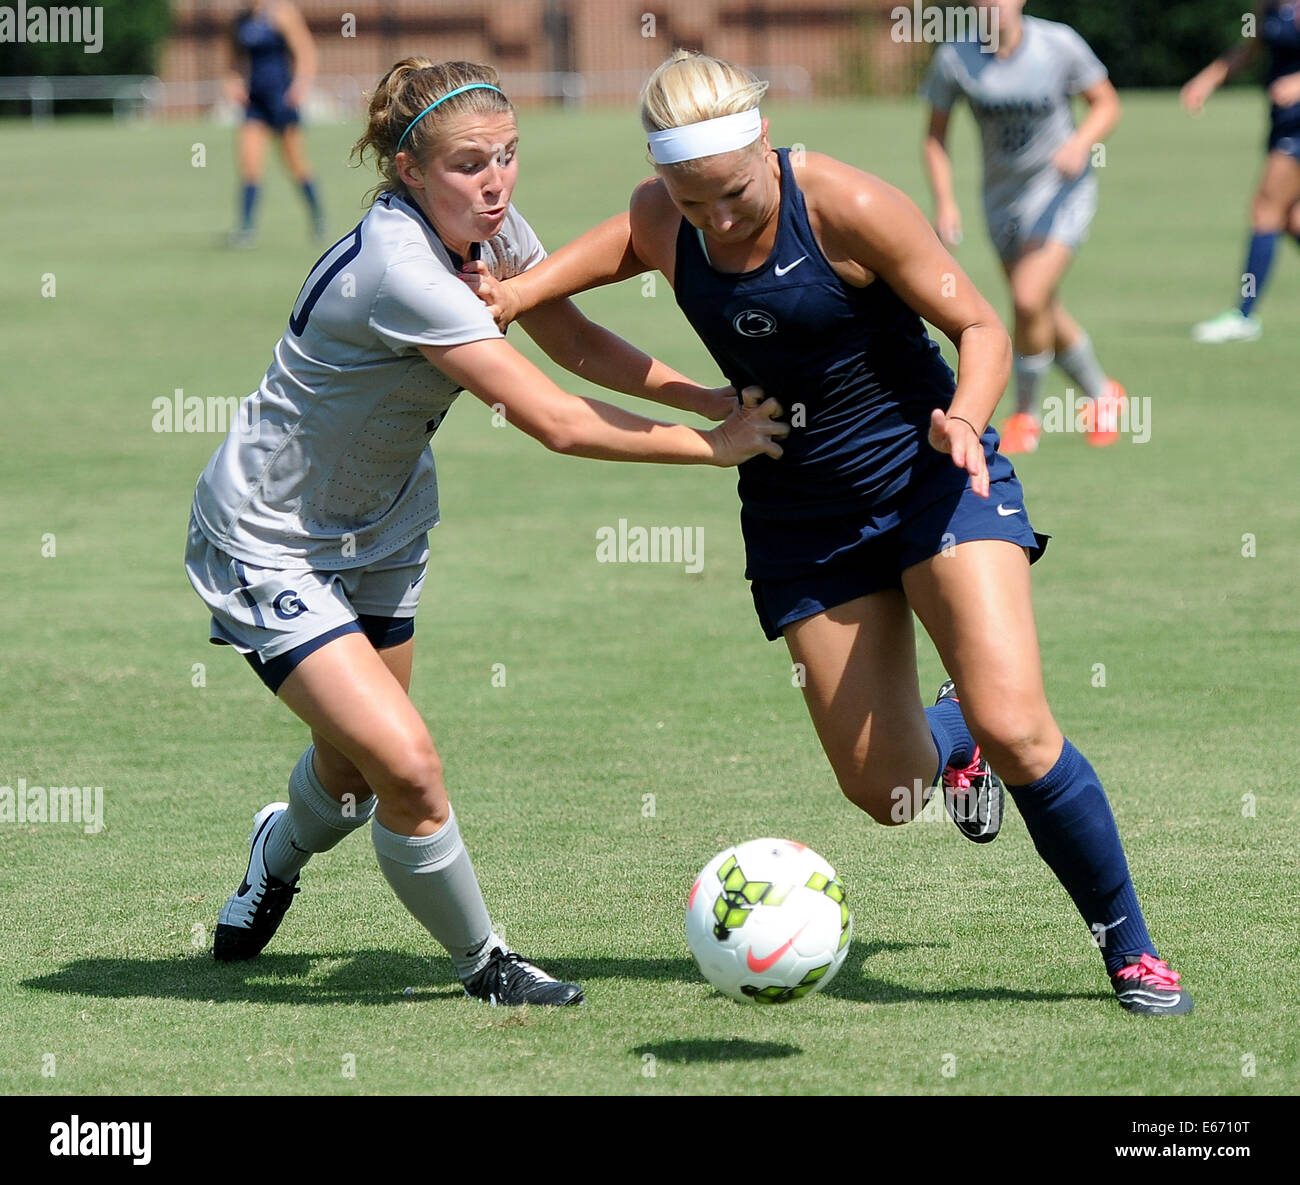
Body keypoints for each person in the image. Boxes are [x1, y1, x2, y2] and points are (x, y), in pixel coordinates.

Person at [463, 50, 1193, 1015]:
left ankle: (1129, 947)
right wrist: (513, 297)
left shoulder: (847, 205)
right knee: (884, 791)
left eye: (730, 193)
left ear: (763, 143)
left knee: (1020, 726)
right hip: (799, 517)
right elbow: (581, 286)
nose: (716, 219)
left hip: (936, 479)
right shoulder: (663, 214)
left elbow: (983, 327)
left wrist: (968, 422)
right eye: (693, 201)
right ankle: (952, 733)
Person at [185, 58, 786, 1007]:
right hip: (269, 539)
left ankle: (275, 850)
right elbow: (556, 418)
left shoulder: (489, 230)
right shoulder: (401, 267)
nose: (496, 181)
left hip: (384, 529)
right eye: (470, 164)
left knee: (351, 775)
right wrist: (718, 446)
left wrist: (709, 395)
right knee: (410, 769)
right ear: (408, 170)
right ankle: (487, 964)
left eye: (507, 155)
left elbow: (575, 340)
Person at [920, 0, 1125, 453]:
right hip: (1001, 202)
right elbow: (935, 135)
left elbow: (1106, 103)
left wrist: (1080, 143)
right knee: (1040, 308)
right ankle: (1103, 395)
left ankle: (1027, 416)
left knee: (1028, 297)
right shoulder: (956, 57)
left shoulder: (1058, 44)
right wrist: (946, 201)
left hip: (1060, 192)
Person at [1184, 1, 1300, 342]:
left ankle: (1244, 315)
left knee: (1265, 209)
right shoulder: (1268, 7)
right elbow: (1250, 47)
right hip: (1284, 124)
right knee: (1292, 219)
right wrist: (1207, 80)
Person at [224, 1, 326, 245]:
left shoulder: (283, 13)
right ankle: (246, 229)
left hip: (282, 101)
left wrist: (301, 86)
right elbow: (232, 61)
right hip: (255, 104)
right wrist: (233, 83)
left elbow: (305, 52)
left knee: (296, 164)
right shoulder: (239, 22)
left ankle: (318, 221)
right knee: (249, 164)